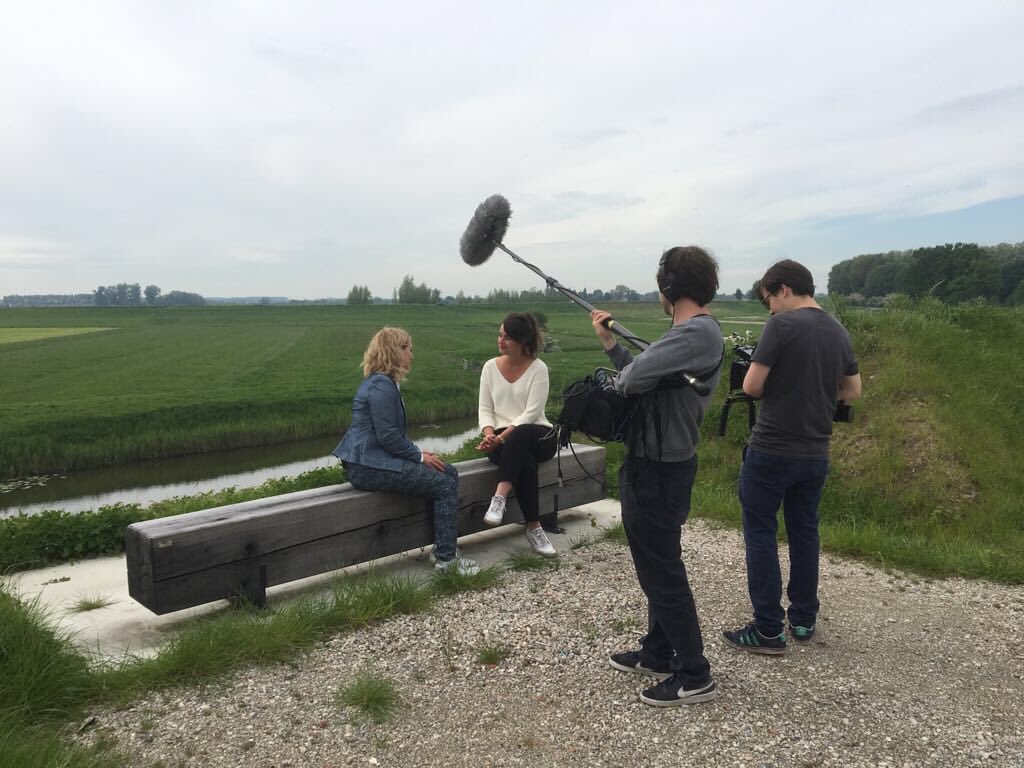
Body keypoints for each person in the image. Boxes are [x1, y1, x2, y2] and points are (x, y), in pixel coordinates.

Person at [591, 245, 723, 707]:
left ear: (670, 286)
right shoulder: (685, 337)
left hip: (660, 470)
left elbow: (630, 382)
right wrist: (612, 344)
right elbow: (640, 373)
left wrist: (627, 367)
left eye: (660, 281)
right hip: (653, 464)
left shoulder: (695, 334)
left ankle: (694, 673)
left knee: (661, 571)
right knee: (655, 562)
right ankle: (658, 651)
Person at [723, 259, 861, 654]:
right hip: (815, 452)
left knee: (761, 534)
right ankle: (803, 619)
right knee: (804, 532)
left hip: (771, 449)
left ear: (783, 289)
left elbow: (751, 386)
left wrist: (784, 386)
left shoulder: (781, 326)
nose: (769, 308)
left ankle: (767, 629)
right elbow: (852, 390)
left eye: (768, 298)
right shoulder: (838, 330)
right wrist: (815, 391)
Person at [333, 327, 478, 575]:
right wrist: (419, 456)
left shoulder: (383, 382)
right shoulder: (381, 385)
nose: (412, 353)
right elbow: (387, 435)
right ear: (395, 351)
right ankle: (446, 560)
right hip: (368, 466)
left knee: (448, 472)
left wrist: (417, 453)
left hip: (374, 461)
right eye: (408, 348)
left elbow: (389, 435)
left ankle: (443, 547)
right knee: (442, 485)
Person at [476, 312, 559, 558]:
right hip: (505, 444)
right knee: (524, 461)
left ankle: (499, 496)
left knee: (520, 434)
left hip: (539, 435)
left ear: (523, 342)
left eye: (508, 338)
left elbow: (531, 413)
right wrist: (490, 434)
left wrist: (501, 438)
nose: (501, 341)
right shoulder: (490, 367)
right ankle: (534, 528)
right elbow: (485, 408)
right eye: (500, 335)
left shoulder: (538, 368)